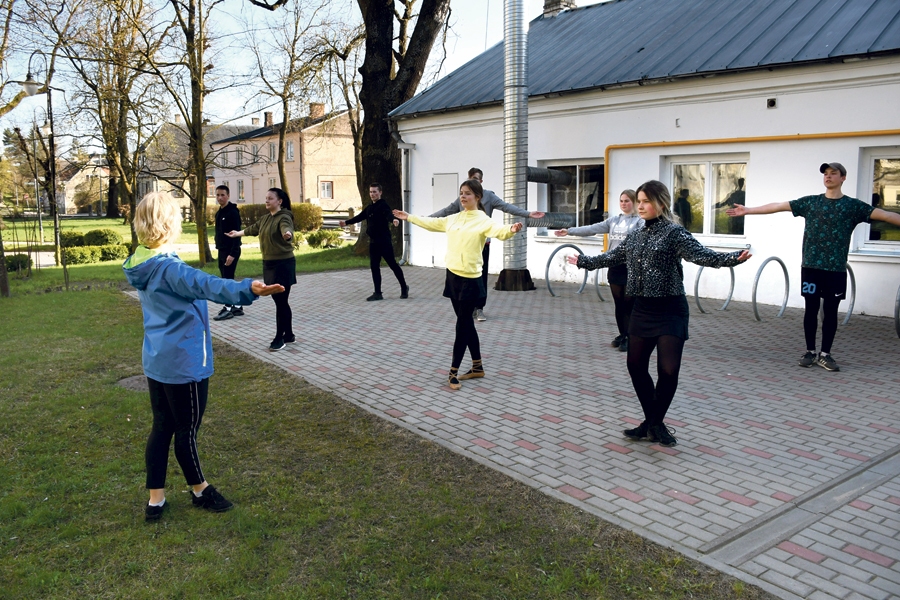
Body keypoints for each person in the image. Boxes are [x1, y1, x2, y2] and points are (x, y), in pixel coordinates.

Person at [123, 192, 284, 522]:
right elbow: (206, 284)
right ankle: (200, 490)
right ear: (169, 225)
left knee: (162, 427)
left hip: (157, 360)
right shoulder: (168, 268)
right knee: (186, 431)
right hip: (184, 365)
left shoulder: (141, 260)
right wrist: (246, 290)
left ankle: (156, 500)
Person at [568, 180, 751, 446]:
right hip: (642, 309)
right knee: (635, 367)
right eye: (638, 201)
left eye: (645, 201)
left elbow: (703, 255)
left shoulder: (674, 233)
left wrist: (733, 257)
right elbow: (614, 256)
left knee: (668, 370)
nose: (640, 206)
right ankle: (653, 422)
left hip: (670, 309)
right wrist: (585, 261)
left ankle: (653, 424)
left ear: (661, 204)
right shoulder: (637, 234)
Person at [727, 162, 900, 372]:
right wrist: (749, 210)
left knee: (830, 311)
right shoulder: (811, 203)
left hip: (835, 269)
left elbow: (886, 215)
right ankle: (809, 352)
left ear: (843, 178)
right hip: (811, 267)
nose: (828, 177)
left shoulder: (853, 207)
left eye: (833, 173)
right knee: (810, 310)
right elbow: (779, 206)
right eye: (825, 174)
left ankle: (825, 354)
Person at [394, 179, 523, 390]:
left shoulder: (483, 220)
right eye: (461, 193)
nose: (463, 197)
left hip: (472, 279)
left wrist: (512, 228)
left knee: (461, 325)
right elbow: (432, 223)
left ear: (478, 197)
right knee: (466, 324)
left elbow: (499, 231)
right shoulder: (454, 218)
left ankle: (452, 372)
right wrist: (409, 217)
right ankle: (477, 367)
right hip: (453, 276)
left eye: (468, 194)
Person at [430, 167, 544, 321]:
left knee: (481, 278)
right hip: (463, 248)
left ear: (481, 181)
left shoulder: (489, 196)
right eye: (470, 179)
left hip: (482, 245)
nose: (472, 183)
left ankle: (479, 309)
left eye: (475, 179)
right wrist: (423, 219)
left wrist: (527, 213)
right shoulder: (463, 199)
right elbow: (446, 212)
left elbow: (507, 207)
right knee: (461, 279)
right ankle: (465, 308)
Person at [555, 189, 642, 352]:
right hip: (614, 267)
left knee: (630, 304)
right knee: (619, 304)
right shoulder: (614, 221)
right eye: (621, 201)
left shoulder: (639, 222)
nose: (624, 204)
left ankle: (631, 336)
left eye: (627, 201)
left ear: (635, 203)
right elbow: (592, 228)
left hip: (631, 268)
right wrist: (569, 231)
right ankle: (623, 334)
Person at [226, 188, 296, 351]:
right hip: (269, 265)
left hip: (283, 264)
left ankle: (280, 338)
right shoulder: (265, 219)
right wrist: (237, 234)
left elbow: (287, 228)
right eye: (266, 198)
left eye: (270, 198)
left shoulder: (284, 217)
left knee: (280, 301)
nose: (267, 201)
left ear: (279, 201)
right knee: (280, 301)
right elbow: (253, 229)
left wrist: (288, 234)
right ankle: (290, 334)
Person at [340, 182, 409, 301]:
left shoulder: (383, 205)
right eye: (371, 192)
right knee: (374, 266)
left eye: (375, 192)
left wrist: (394, 221)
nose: (372, 194)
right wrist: (346, 223)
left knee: (392, 265)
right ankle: (378, 293)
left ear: (380, 192)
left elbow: (389, 215)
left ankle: (404, 287)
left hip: (384, 241)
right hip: (373, 242)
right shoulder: (369, 208)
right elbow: (360, 217)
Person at [212, 185, 245, 321]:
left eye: (223, 195)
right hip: (222, 249)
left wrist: (233, 253)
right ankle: (237, 305)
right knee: (226, 278)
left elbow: (237, 235)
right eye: (218, 195)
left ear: (228, 196)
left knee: (227, 280)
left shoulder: (233, 212)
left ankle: (228, 308)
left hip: (231, 251)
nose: (220, 198)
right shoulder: (219, 212)